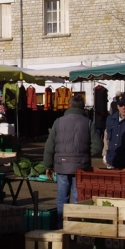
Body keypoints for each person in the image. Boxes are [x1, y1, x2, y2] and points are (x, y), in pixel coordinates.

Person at [43, 94, 92, 227]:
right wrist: (86, 156)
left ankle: (61, 225)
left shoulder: (58, 122)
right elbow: (98, 147)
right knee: (77, 198)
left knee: (62, 199)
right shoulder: (88, 122)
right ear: (83, 107)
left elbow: (50, 145)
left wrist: (48, 165)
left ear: (69, 106)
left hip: (61, 165)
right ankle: (75, 226)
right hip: (81, 167)